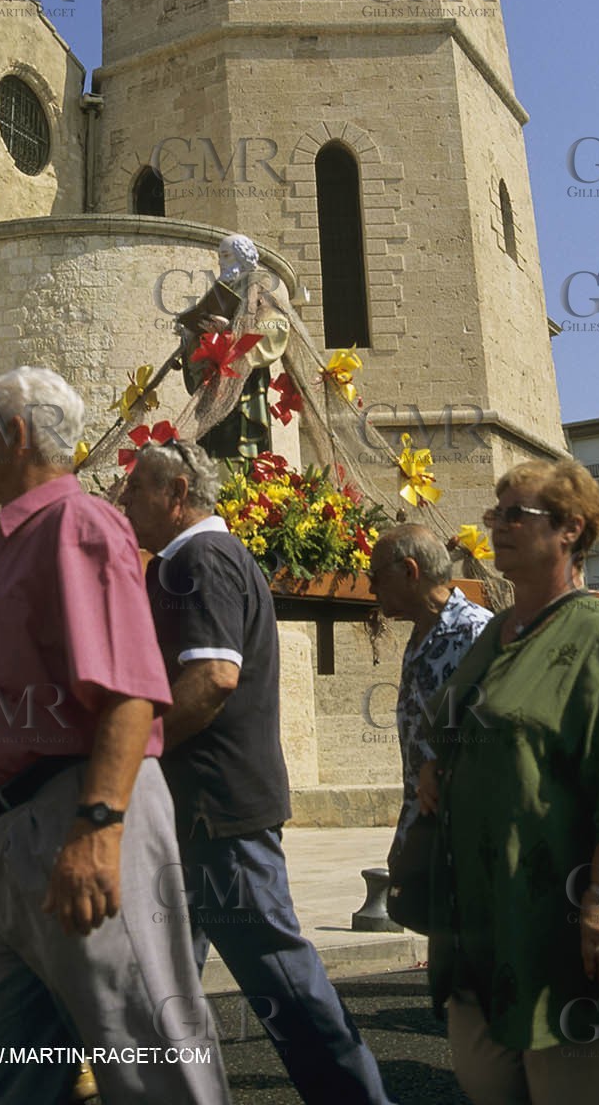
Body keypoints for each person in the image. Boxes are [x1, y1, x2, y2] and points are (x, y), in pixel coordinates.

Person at [0, 367, 231, 1105]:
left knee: (152, 1064)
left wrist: (97, 826)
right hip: (20, 832)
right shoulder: (21, 541)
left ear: (18, 436)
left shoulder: (76, 526)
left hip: (77, 821)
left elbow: (130, 692)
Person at [124, 437, 395, 1105]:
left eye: (136, 488)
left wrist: (135, 750)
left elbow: (213, 677)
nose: (124, 499)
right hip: (196, 813)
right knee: (163, 985)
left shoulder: (200, 559)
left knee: (281, 982)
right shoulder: (194, 559)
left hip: (216, 812)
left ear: (176, 493)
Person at [422, 459, 599, 1105]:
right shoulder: (497, 636)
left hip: (571, 932)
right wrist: (438, 765)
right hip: (488, 924)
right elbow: (462, 720)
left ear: (570, 529)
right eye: (495, 512)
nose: (498, 527)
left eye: (517, 514)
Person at [368, 524, 492, 895]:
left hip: (468, 837)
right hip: (426, 833)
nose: (372, 588)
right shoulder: (421, 633)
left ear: (410, 570)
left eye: (376, 576)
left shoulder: (475, 633)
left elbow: (491, 736)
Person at [177, 234, 290, 461]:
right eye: (220, 257)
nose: (221, 263)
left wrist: (231, 329)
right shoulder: (219, 292)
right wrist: (190, 335)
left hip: (245, 378)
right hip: (217, 378)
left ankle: (242, 482)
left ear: (242, 256)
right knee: (213, 434)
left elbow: (275, 326)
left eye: (226, 256)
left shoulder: (260, 289)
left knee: (238, 434)